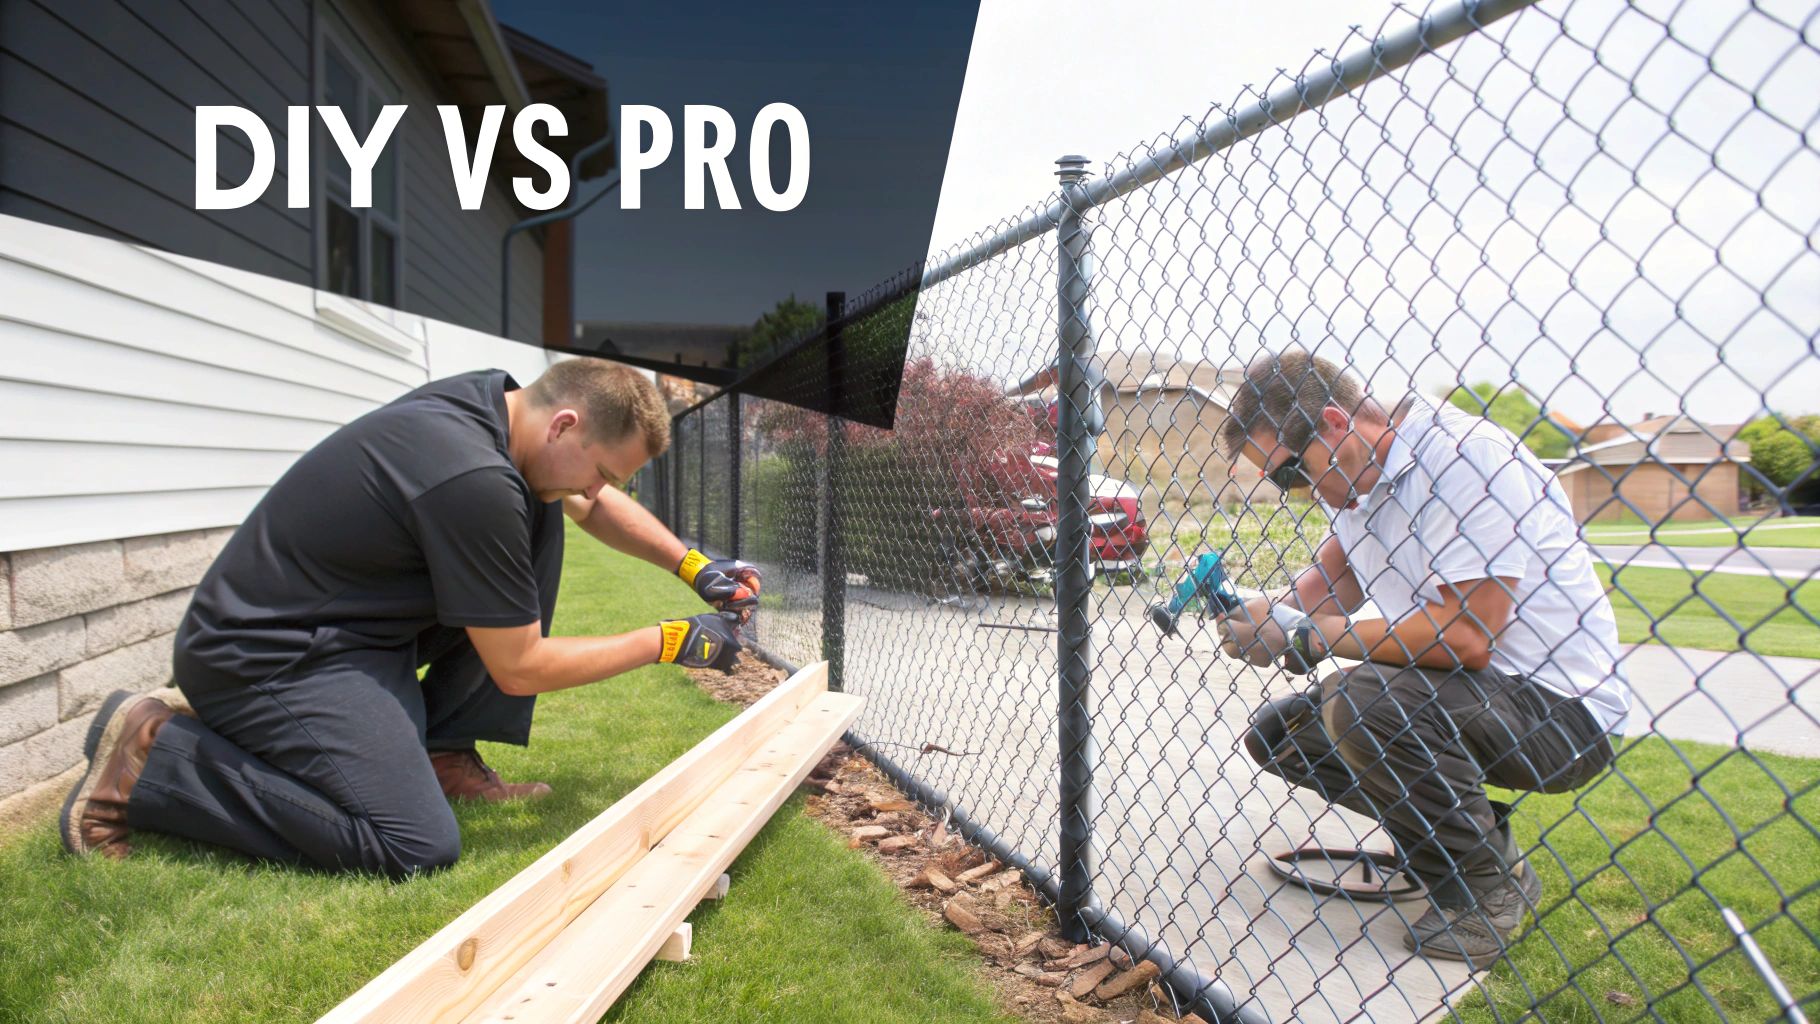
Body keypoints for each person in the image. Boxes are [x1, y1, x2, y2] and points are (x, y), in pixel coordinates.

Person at [59, 360, 760, 878]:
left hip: (351, 632)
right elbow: (519, 669)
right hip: (264, 658)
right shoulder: (475, 479)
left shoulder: (499, 408)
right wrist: (668, 641)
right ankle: (156, 758)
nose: (596, 490)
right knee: (414, 845)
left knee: (545, 508)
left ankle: (441, 753)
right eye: (603, 470)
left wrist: (691, 565)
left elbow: (587, 506)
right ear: (566, 423)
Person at [1215, 350, 1630, 967]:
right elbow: (1331, 583)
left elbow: (1466, 636)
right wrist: (1264, 613)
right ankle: (1483, 847)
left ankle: (1484, 893)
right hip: (1468, 695)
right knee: (1284, 735)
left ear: (1333, 422)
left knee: (1364, 702)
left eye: (1289, 475)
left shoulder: (1464, 460)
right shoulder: (1352, 479)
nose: (1296, 494)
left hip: (1560, 712)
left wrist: (1311, 638)